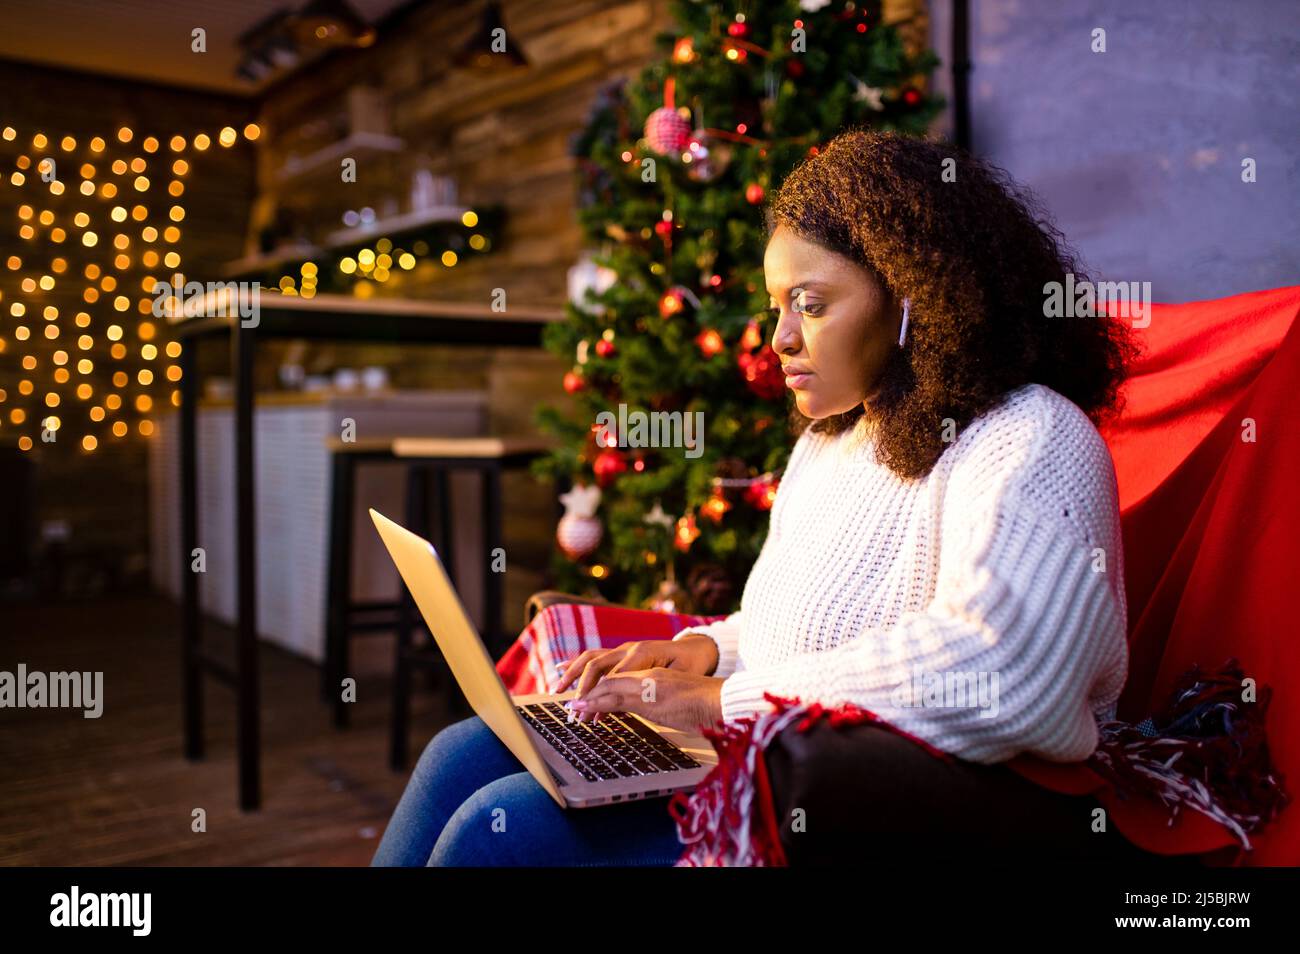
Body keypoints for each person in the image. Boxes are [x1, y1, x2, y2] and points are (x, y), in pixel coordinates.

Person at [371, 130, 1142, 867]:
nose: (779, 337)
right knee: (460, 754)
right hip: (786, 756)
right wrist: (712, 647)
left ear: (916, 295)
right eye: (778, 305)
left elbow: (1004, 673)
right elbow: (818, 621)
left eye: (809, 303)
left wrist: (719, 700)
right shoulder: (835, 439)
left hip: (919, 805)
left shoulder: (1032, 436)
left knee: (498, 835)